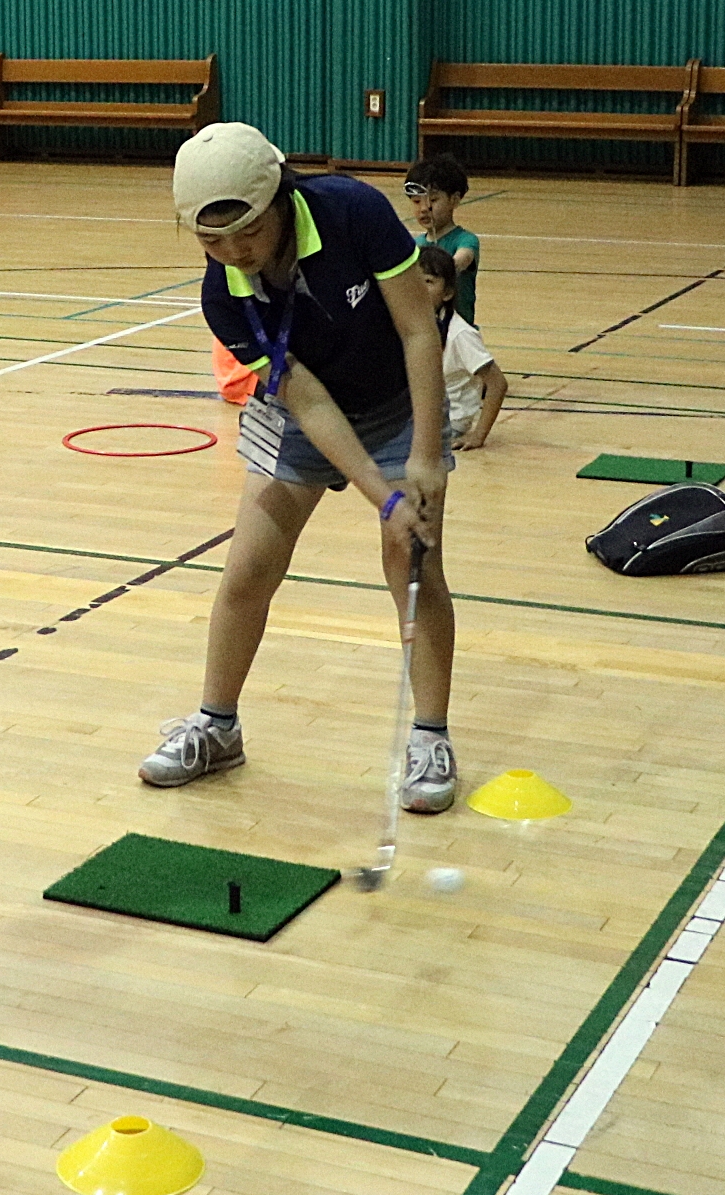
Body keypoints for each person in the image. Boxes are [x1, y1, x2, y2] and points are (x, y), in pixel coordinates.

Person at [146, 124, 463, 810]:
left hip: (398, 402)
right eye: (212, 241)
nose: (235, 252)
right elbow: (309, 404)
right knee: (248, 568)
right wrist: (384, 498)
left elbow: (418, 330)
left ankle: (431, 736)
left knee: (412, 565)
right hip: (302, 413)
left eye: (248, 233)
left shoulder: (354, 211)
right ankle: (218, 727)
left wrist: (423, 456)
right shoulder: (224, 297)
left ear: (280, 198)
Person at [417, 245, 505, 452]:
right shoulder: (414, 323)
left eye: (428, 281)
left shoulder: (460, 334)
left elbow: (498, 383)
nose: (418, 287)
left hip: (448, 422)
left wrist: (478, 435)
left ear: (447, 293)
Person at [406, 153, 480, 324]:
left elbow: (462, 259)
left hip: (459, 332)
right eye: (416, 202)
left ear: (454, 200)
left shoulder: (465, 240)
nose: (424, 208)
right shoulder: (415, 245)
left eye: (433, 200)